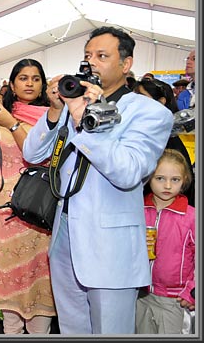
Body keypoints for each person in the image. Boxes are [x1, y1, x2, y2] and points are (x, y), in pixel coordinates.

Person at [23, 26, 174, 334]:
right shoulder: (73, 103)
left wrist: (84, 119)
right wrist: (55, 110)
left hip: (110, 245)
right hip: (64, 233)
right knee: (71, 327)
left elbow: (128, 171)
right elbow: (32, 151)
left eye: (102, 56)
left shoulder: (148, 112)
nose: (92, 62)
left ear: (126, 64)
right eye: (88, 56)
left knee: (110, 331)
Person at [0, 59, 53, 334]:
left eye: (36, 78)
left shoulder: (52, 116)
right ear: (13, 83)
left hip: (35, 209)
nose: (29, 83)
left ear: (43, 84)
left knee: (38, 281)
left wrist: (12, 123)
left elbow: (40, 155)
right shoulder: (0, 112)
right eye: (23, 78)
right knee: (7, 284)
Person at [136, 149, 195, 334]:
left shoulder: (191, 216)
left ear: (184, 180)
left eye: (175, 180)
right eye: (160, 178)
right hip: (140, 295)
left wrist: (192, 291)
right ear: (148, 178)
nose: (167, 185)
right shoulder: (137, 210)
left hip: (175, 300)